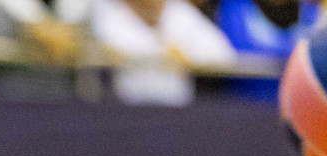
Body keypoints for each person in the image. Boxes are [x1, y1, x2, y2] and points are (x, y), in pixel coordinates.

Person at [88, 0, 236, 105]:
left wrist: (189, 57)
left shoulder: (179, 11)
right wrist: (164, 54)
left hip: (176, 115)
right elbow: (110, 48)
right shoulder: (108, 11)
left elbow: (223, 54)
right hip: (124, 114)